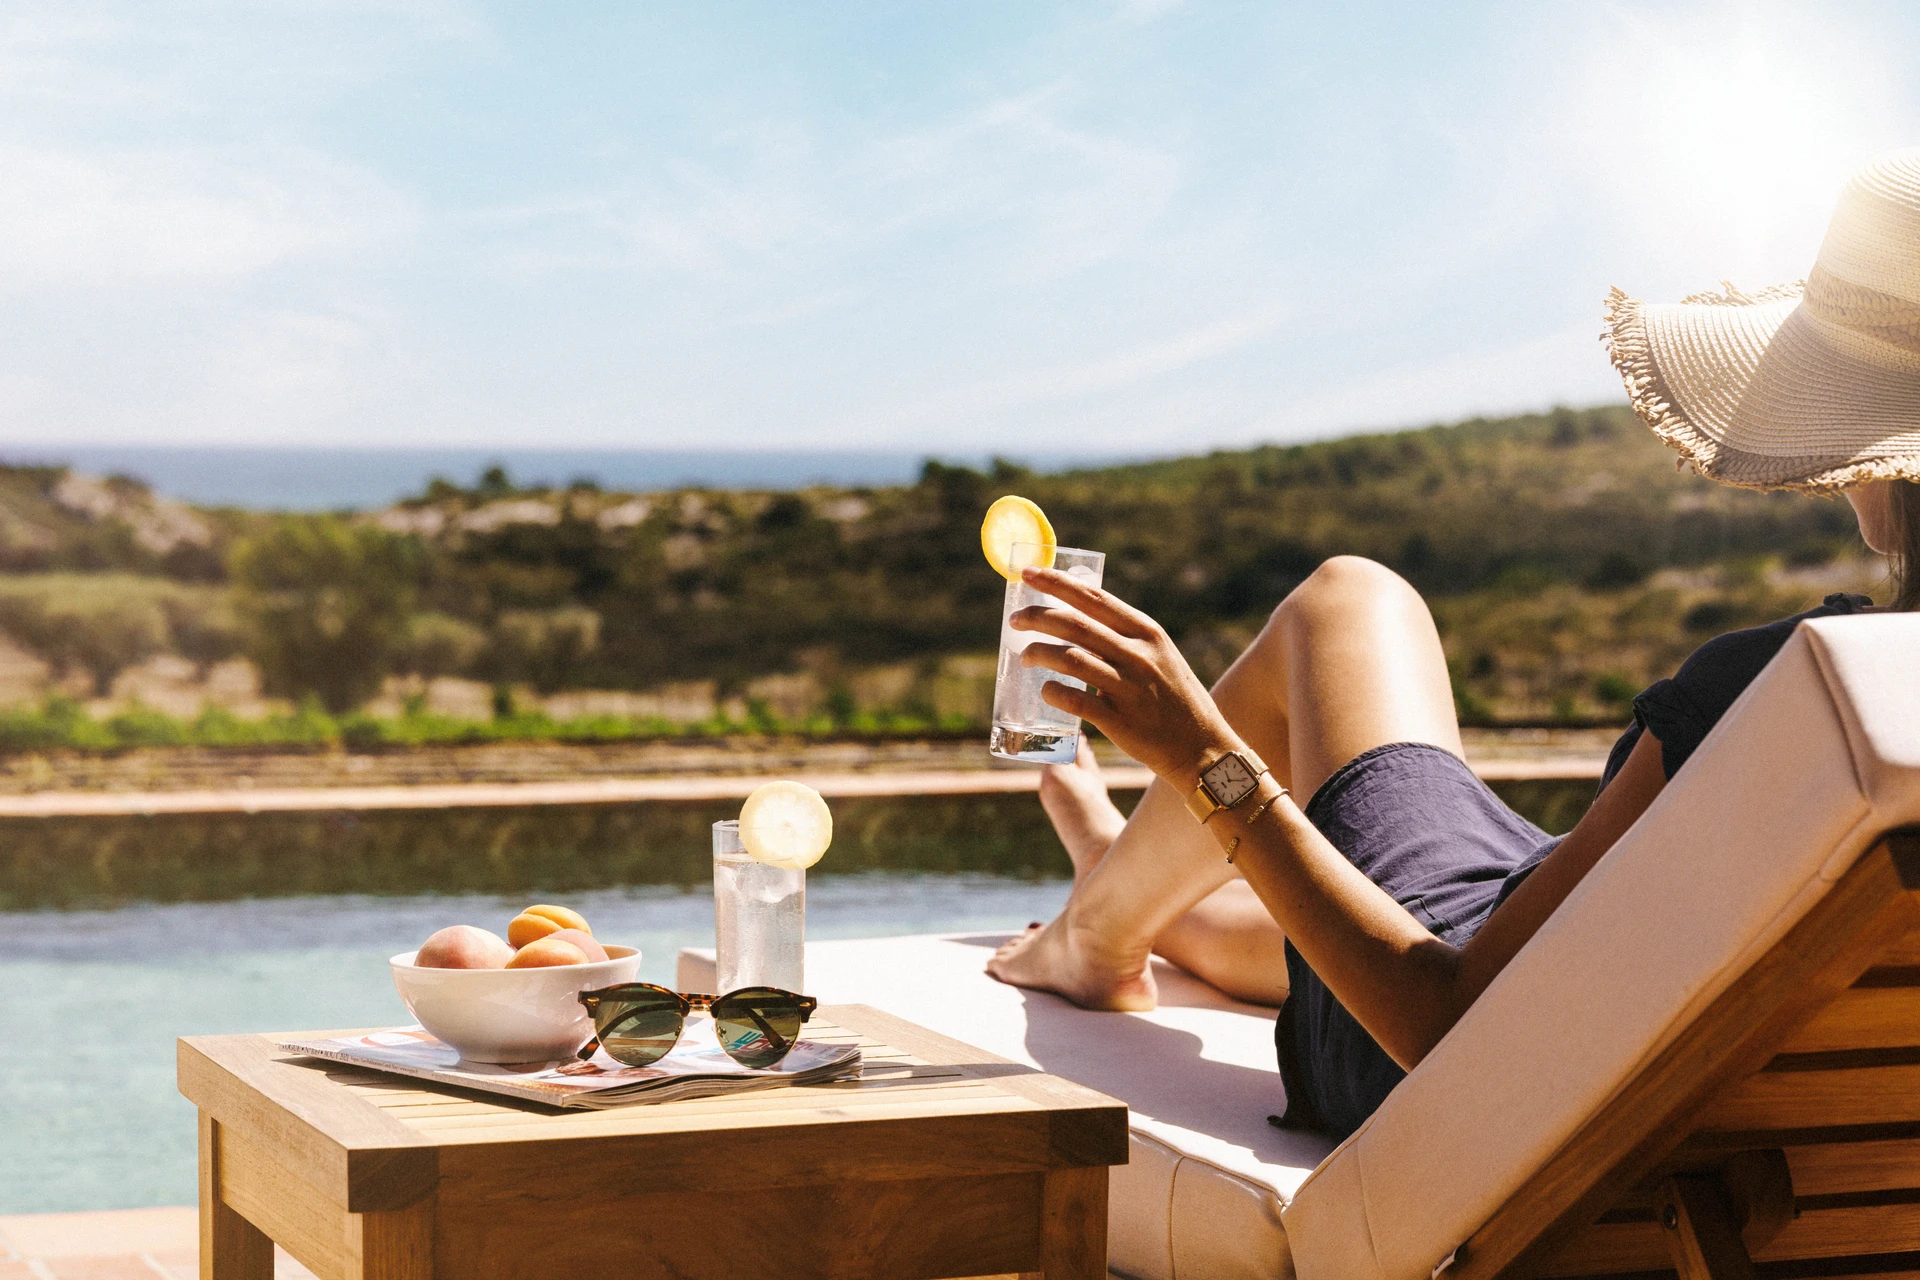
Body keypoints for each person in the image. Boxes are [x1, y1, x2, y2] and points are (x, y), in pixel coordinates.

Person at [986, 148, 1920, 1140]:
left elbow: (1455, 1023)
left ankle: (1098, 927)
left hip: (1472, 1066)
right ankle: (1118, 885)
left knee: (1349, 599)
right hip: (1682, 1033)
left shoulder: (1792, 689)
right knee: (1359, 897)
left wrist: (1204, 758)